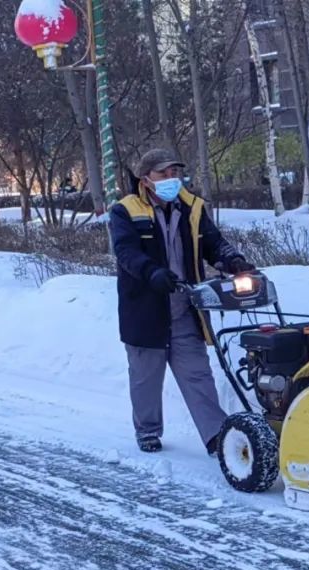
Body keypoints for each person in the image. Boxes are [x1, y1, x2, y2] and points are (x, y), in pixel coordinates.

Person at [108, 148, 255, 455]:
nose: (172, 178)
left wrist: (233, 261)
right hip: (145, 310)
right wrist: (152, 273)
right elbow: (126, 253)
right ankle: (148, 430)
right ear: (146, 179)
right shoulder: (126, 211)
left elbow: (213, 243)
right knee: (146, 379)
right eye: (164, 173)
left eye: (175, 172)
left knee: (198, 374)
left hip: (186, 307)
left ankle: (216, 436)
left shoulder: (192, 207)